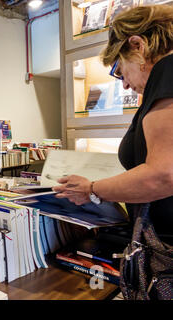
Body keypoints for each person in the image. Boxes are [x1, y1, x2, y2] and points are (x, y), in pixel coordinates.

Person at [52, 5, 173, 299]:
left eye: (120, 70)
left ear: (137, 44)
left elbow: (162, 175)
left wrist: (92, 189)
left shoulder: (167, 70)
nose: (127, 84)